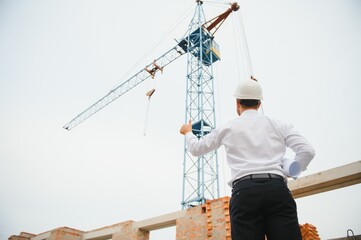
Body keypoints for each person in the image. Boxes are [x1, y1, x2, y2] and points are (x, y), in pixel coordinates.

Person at [179, 79, 315, 240]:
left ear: (237, 103)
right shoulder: (278, 124)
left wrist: (188, 132)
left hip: (244, 193)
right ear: (259, 103)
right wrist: (293, 169)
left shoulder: (227, 128)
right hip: (276, 190)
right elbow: (307, 150)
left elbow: (196, 149)